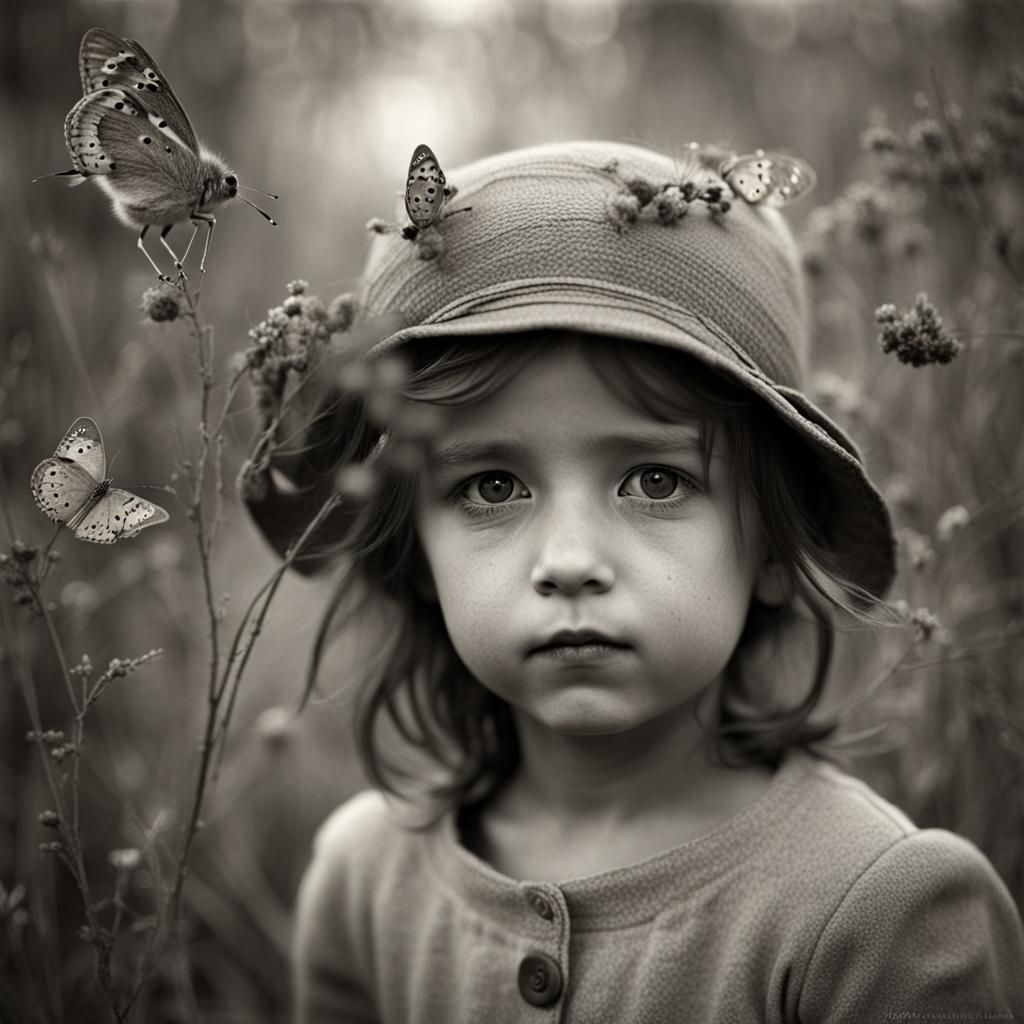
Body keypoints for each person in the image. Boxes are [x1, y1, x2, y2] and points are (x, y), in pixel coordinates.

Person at [245, 141, 1024, 1021]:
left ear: (773, 545)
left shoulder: (884, 920)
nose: (571, 559)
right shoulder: (360, 885)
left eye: (656, 481)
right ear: (415, 552)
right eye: (490, 486)